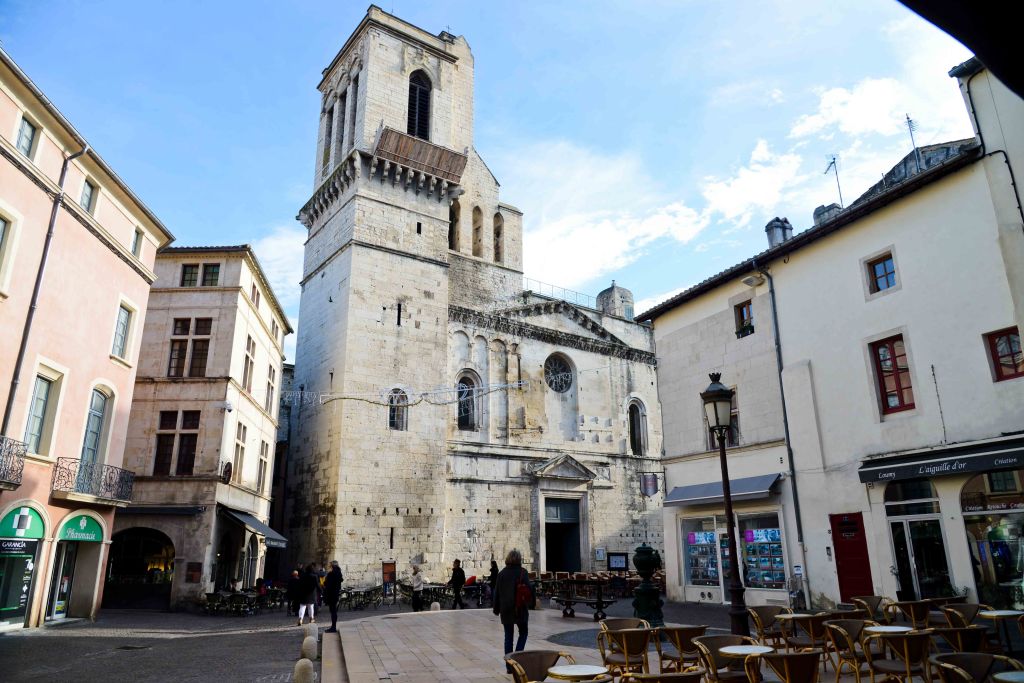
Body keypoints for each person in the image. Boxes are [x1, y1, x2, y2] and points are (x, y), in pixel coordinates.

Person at [493, 549, 532, 670]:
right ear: (519, 559)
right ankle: (517, 660)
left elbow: (497, 593)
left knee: (508, 637)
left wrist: (496, 608)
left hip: (506, 609)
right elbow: (529, 590)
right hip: (520, 608)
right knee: (523, 633)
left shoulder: (502, 574)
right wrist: (531, 604)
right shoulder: (523, 572)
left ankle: (509, 666)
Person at [323, 560, 343, 633]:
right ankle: (333, 626)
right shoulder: (339, 573)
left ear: (332, 566)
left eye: (330, 565)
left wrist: (326, 578)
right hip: (336, 594)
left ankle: (333, 627)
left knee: (333, 611)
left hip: (331, 594)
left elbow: (327, 584)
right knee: (334, 611)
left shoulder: (331, 574)